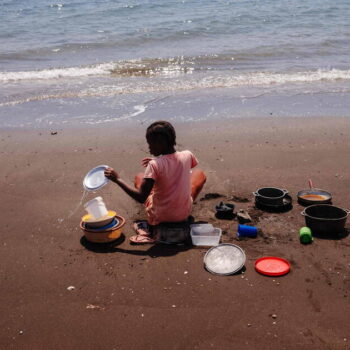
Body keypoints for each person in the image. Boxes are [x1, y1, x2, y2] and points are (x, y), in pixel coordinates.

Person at [104, 120, 206, 244]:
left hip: (160, 217)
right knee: (199, 174)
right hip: (183, 214)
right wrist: (159, 161)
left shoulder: (154, 165)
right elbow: (175, 163)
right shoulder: (187, 155)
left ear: (159, 143)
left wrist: (117, 179)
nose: (149, 148)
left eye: (150, 144)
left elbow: (141, 197)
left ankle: (149, 226)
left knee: (139, 177)